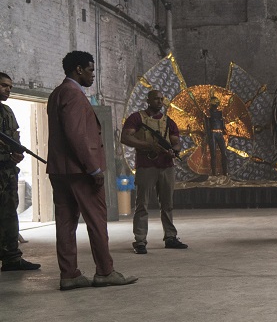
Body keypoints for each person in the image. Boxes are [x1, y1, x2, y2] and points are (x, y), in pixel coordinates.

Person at [47, 51, 137, 290]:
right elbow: (77, 135)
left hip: (60, 171)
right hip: (81, 171)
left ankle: (69, 275)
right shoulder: (73, 94)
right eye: (90, 70)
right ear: (78, 70)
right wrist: (94, 168)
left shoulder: (56, 94)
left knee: (65, 224)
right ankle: (105, 271)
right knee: (96, 221)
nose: (93, 75)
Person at [120, 89, 187, 254]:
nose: (159, 101)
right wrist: (148, 145)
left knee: (167, 204)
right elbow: (125, 137)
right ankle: (140, 240)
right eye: (156, 98)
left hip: (166, 166)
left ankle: (170, 236)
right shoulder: (137, 118)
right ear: (148, 100)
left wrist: (174, 150)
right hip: (146, 166)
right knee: (142, 204)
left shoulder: (168, 121)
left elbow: (176, 142)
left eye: (161, 99)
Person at [0, 72, 40, 272]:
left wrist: (17, 153)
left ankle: (11, 258)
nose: (8, 89)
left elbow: (15, 138)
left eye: (10, 86)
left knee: (9, 214)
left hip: (7, 173)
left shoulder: (7, 111)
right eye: (3, 85)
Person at [204, 95, 228, 176]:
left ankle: (225, 172)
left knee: (224, 153)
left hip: (220, 133)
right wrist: (208, 136)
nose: (216, 105)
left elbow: (223, 124)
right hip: (212, 134)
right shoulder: (208, 113)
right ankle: (214, 173)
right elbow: (207, 126)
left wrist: (225, 131)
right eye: (215, 103)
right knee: (213, 154)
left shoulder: (220, 113)